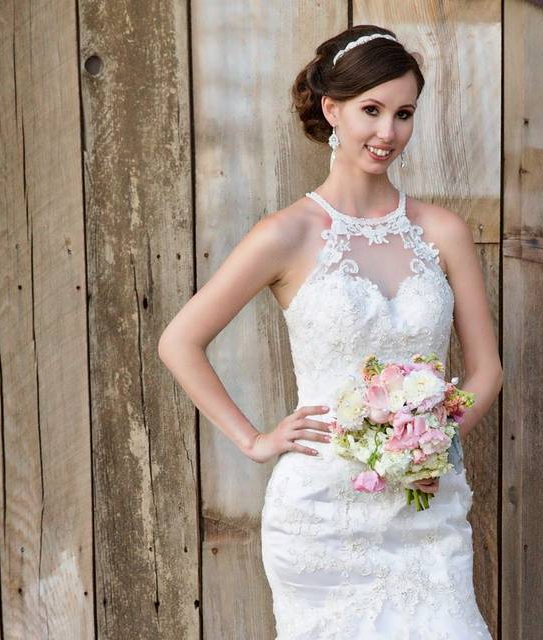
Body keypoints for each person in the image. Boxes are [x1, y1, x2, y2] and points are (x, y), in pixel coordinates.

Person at [158, 24, 502, 639]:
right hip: (321, 513)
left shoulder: (443, 231)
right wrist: (255, 440)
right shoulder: (286, 234)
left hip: (425, 503)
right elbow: (179, 342)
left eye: (403, 113)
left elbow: (486, 373)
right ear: (332, 109)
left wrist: (433, 446)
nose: (387, 133)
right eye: (371, 110)